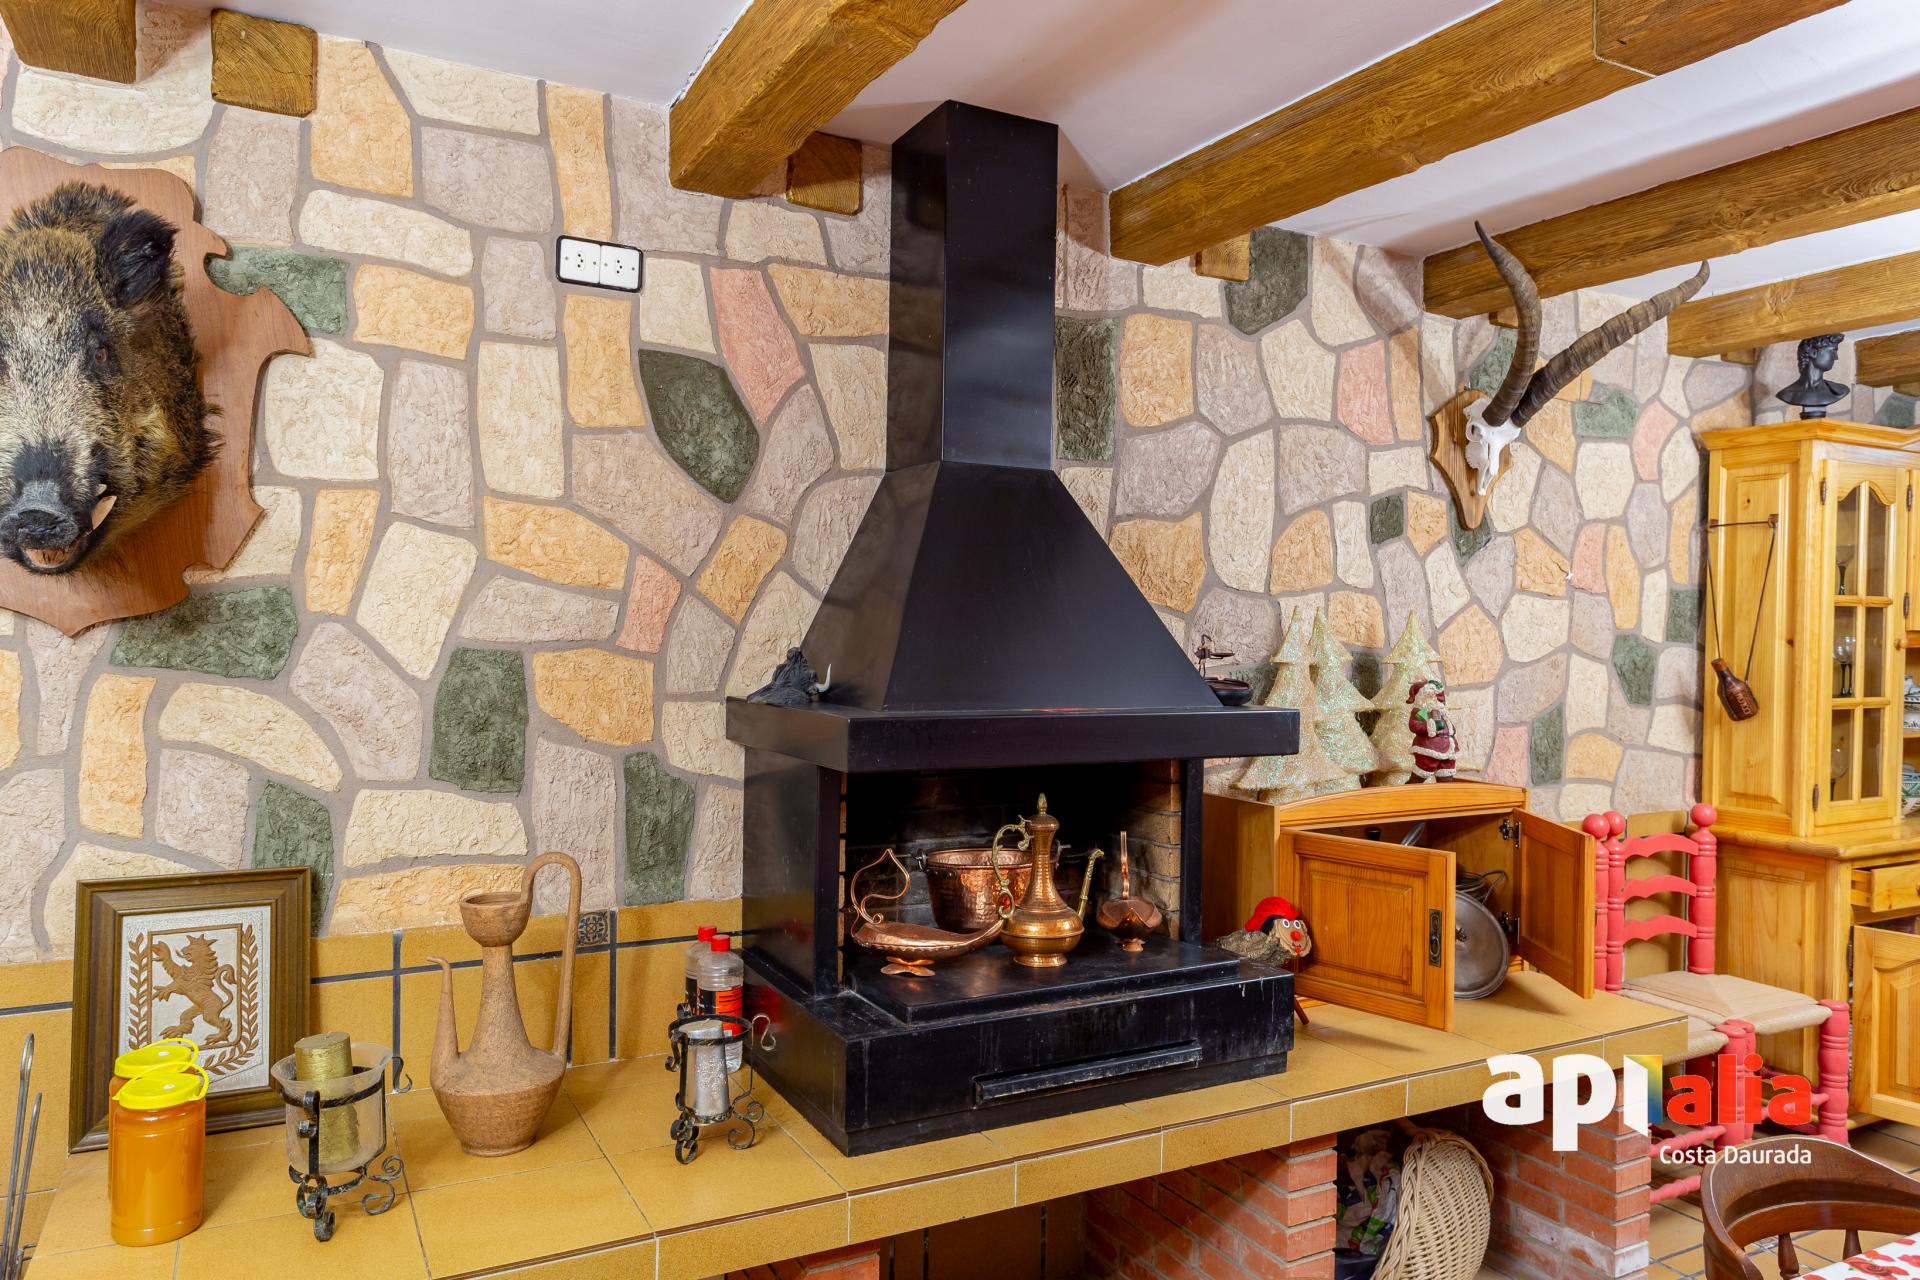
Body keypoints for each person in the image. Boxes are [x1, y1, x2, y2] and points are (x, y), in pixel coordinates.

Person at [1775, 333, 1849, 419]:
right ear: (1813, 353)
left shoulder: (1839, 391)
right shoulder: (1787, 394)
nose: (1836, 357)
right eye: (1832, 351)